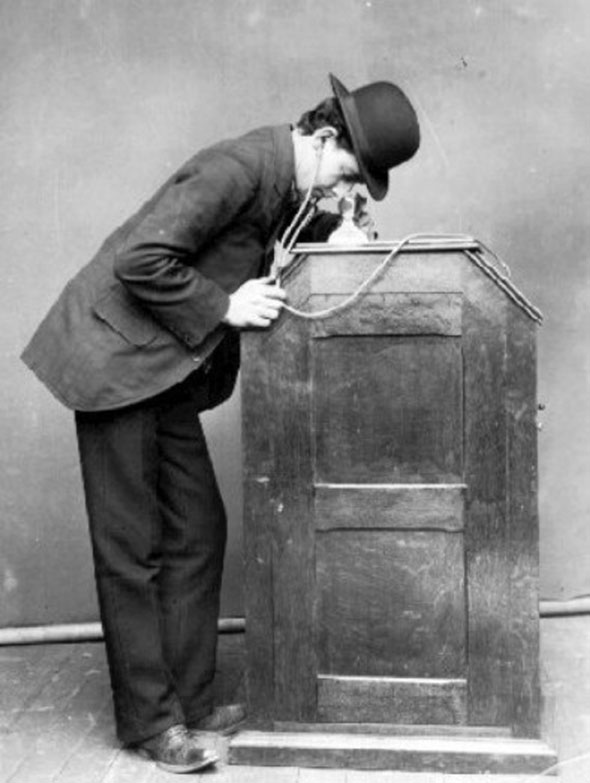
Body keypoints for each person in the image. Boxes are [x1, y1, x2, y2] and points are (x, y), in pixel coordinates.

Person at [21, 73, 420, 774]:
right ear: (324, 137)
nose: (338, 188)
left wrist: (337, 227)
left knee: (198, 528)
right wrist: (225, 307)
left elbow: (265, 228)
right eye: (347, 174)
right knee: (132, 548)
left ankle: (192, 699)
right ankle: (151, 724)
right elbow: (139, 260)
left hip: (160, 367)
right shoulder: (239, 167)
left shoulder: (282, 176)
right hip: (114, 364)